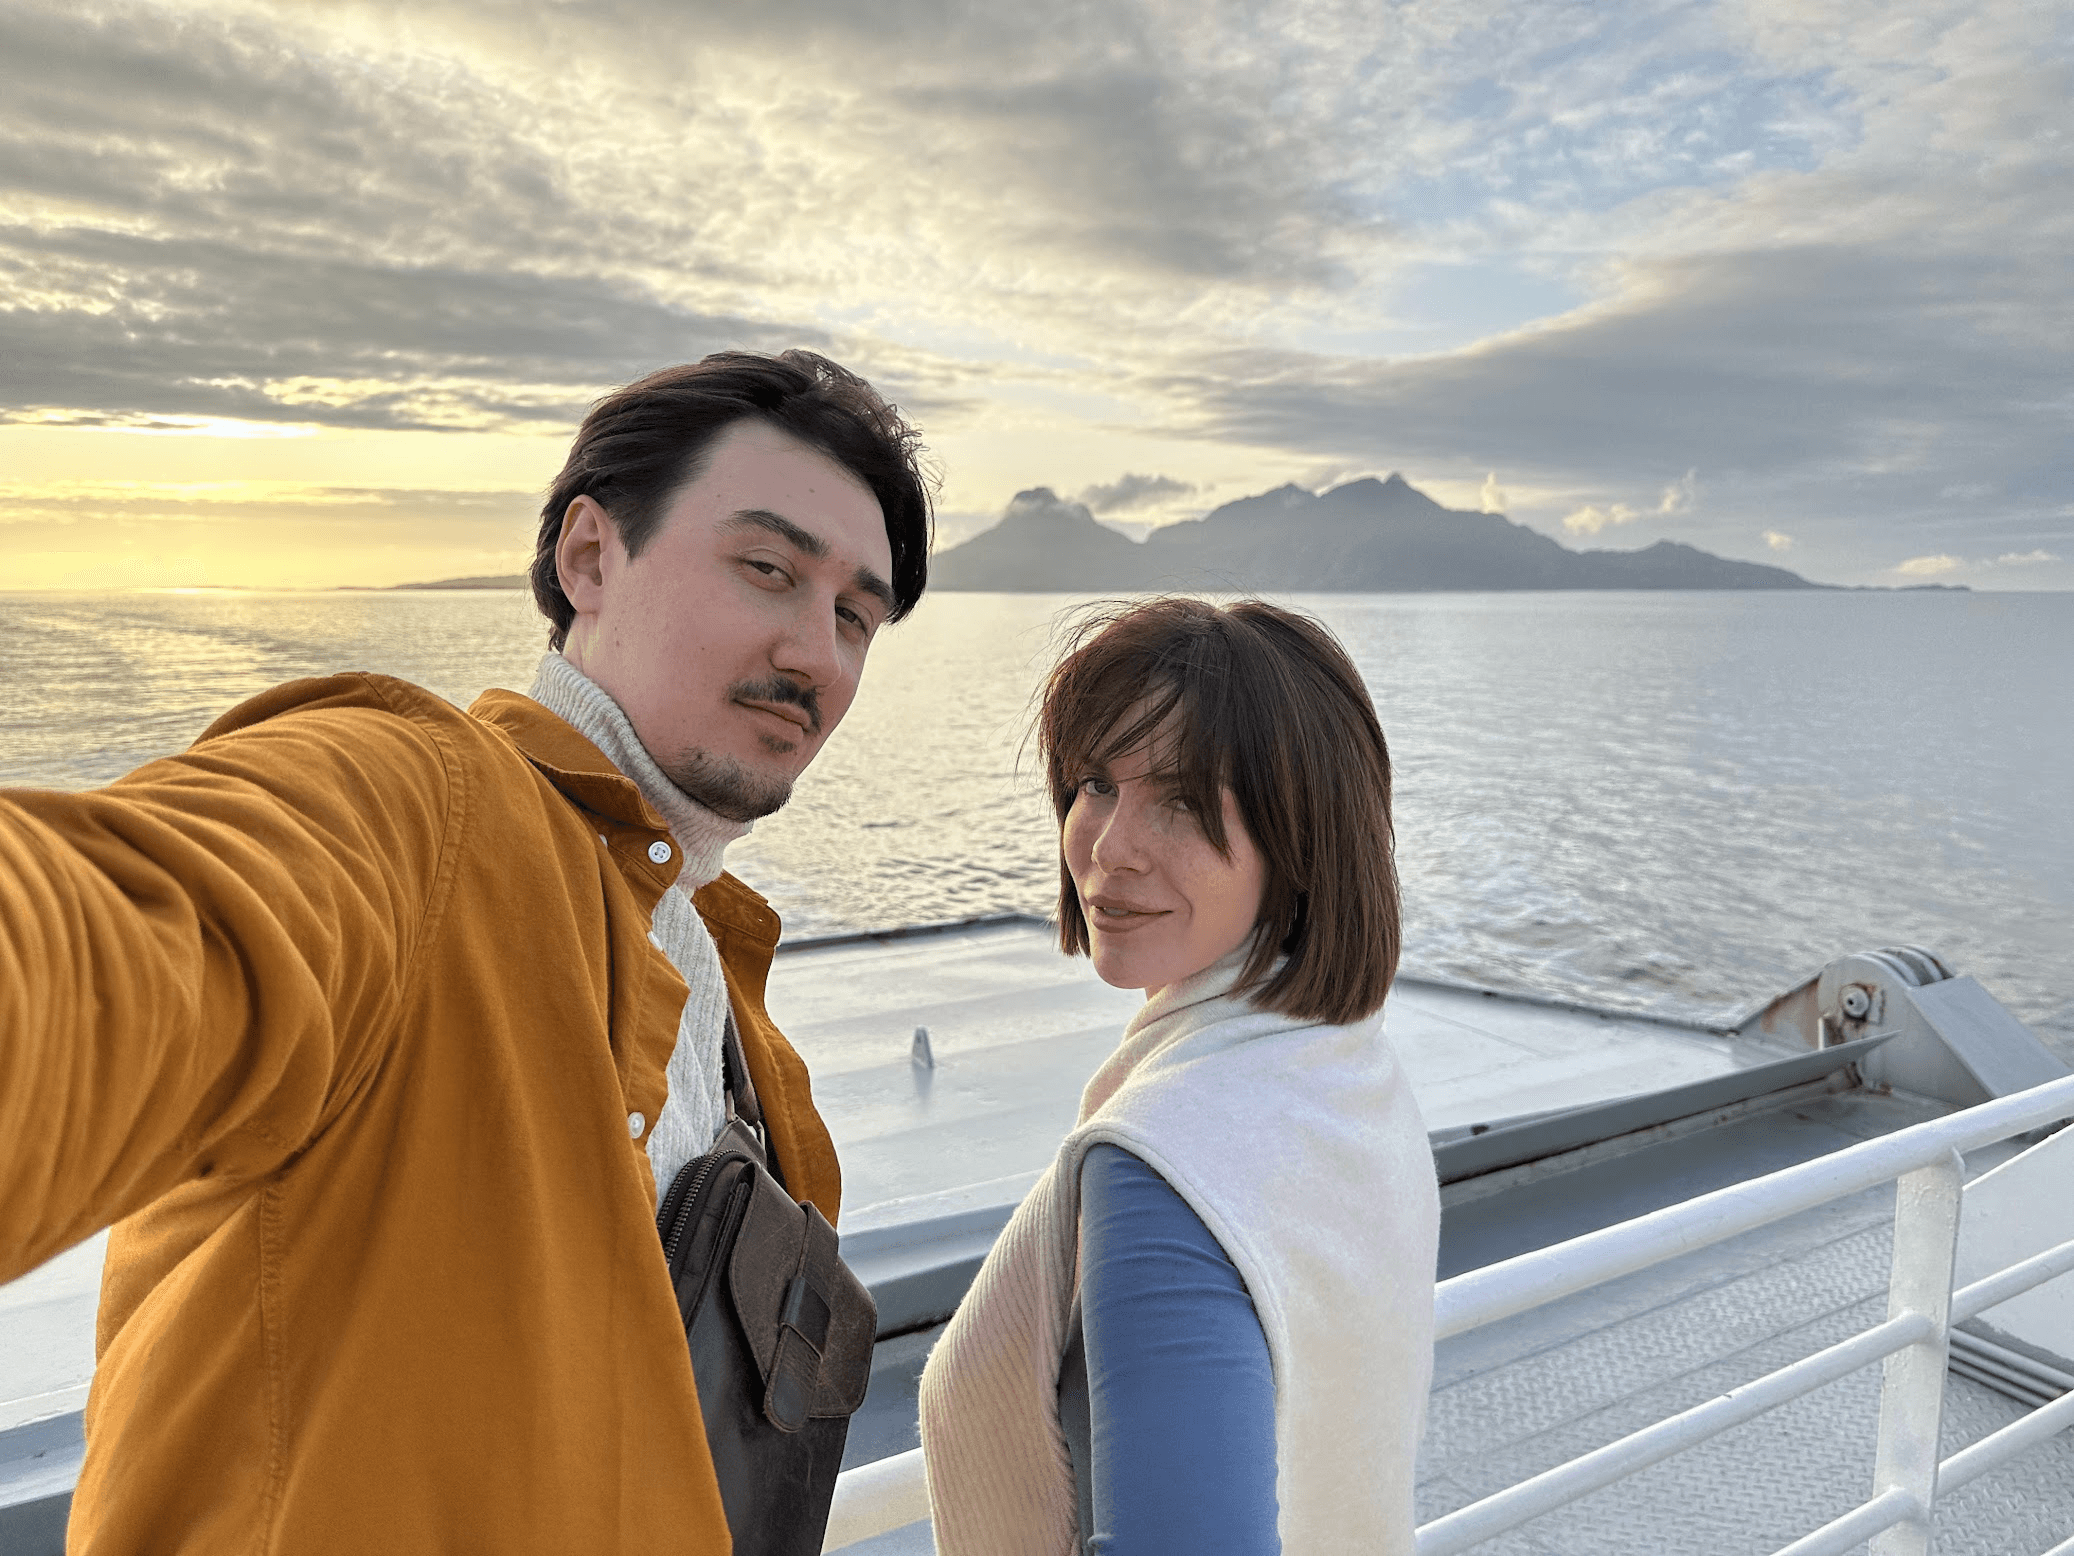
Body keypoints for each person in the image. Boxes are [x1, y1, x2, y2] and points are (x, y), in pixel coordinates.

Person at [0, 349, 931, 1552]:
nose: (818, 653)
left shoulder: (739, 1017)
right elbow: (110, 935)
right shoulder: (413, 806)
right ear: (588, 556)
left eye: (856, 614)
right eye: (767, 569)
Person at [918, 597, 1440, 1555]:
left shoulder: (1166, 1164)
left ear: (1302, 839)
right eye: (1094, 785)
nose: (1108, 847)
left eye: (1183, 800)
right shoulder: (1348, 1070)